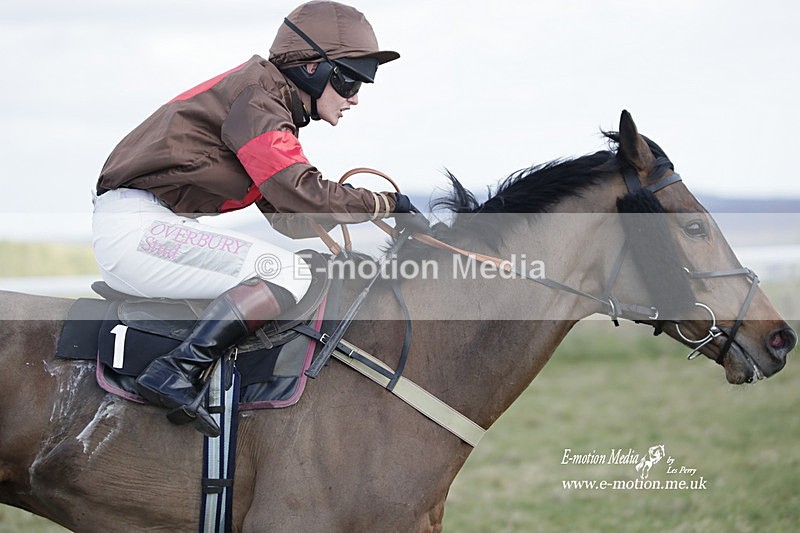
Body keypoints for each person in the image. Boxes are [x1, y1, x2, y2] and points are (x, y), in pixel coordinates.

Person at [92, 1, 425, 437]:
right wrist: (387, 204)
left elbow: (289, 216)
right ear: (311, 68)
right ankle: (175, 371)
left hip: (149, 225)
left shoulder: (266, 102)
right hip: (137, 230)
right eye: (349, 80)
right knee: (285, 271)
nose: (355, 97)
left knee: (298, 268)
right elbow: (305, 194)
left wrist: (348, 229)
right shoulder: (258, 100)